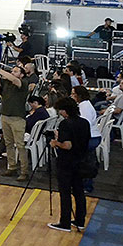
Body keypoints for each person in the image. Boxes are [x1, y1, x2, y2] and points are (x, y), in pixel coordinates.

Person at [48, 96, 90, 232]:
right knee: (79, 192)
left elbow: (67, 145)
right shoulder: (84, 122)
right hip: (81, 161)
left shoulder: (65, 124)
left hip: (67, 163)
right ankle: (80, 220)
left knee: (65, 192)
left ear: (65, 111)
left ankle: (64, 222)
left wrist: (56, 143)